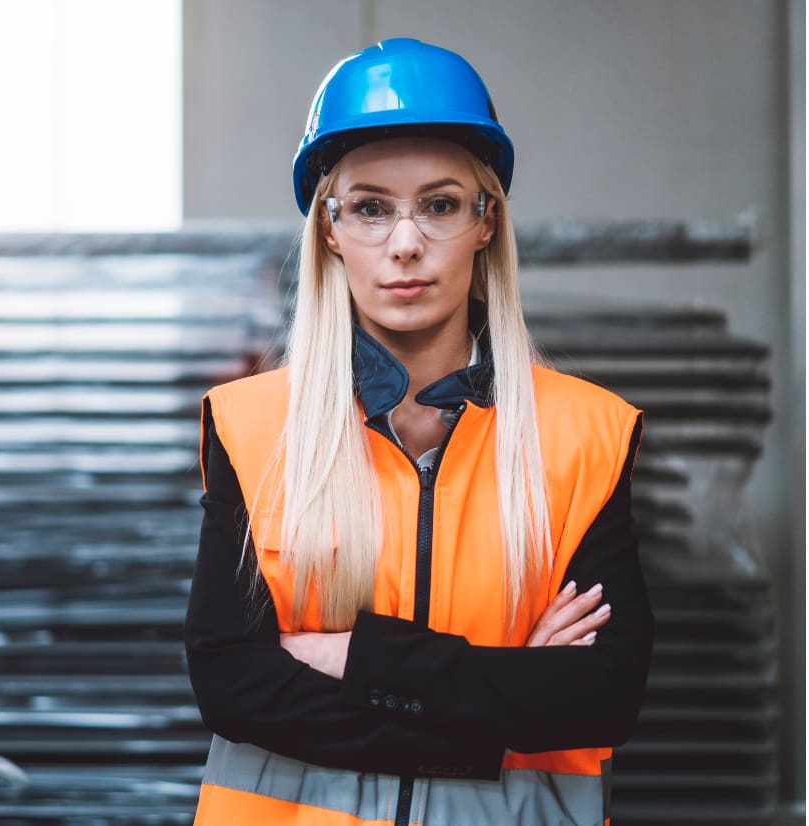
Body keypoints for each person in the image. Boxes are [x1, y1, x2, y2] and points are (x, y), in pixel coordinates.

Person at [184, 37, 654, 826]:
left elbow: (598, 699)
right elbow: (236, 688)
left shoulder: (587, 436)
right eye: (370, 207)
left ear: (484, 221)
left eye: (438, 204)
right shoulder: (252, 428)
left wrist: (352, 657)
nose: (405, 243)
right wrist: (504, 700)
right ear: (331, 230)